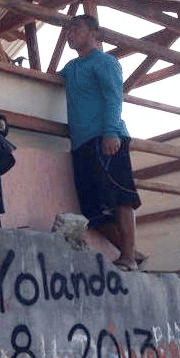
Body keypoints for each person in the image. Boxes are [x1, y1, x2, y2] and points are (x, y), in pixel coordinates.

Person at [56, 14, 145, 270]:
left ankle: (128, 258)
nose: (70, 33)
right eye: (68, 30)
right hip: (81, 144)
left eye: (76, 29)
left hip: (107, 138)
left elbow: (114, 98)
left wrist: (110, 133)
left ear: (94, 33)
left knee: (121, 197)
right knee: (93, 210)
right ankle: (132, 253)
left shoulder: (105, 62)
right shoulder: (72, 67)